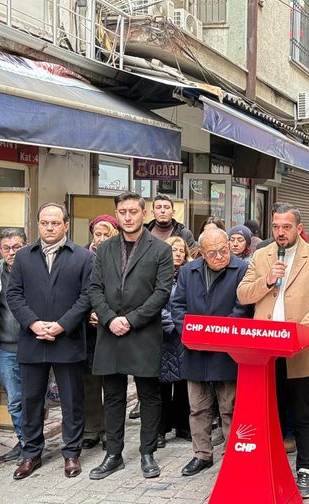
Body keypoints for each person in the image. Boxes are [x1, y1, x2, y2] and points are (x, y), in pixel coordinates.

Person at [238, 203, 309, 499]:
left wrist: (298, 335)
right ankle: (272, 466)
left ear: (298, 228)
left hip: (301, 350)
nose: (280, 233)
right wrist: (267, 280)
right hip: (266, 352)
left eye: (286, 227)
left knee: (304, 414)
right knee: (271, 413)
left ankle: (305, 469)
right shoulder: (261, 256)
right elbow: (243, 294)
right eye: (276, 227)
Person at [87, 191, 173, 480]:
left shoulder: (160, 250)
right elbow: (94, 289)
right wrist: (111, 319)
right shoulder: (105, 248)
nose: (127, 216)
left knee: (149, 395)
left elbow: (161, 293)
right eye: (122, 211)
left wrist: (131, 320)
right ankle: (114, 454)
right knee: (112, 396)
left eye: (133, 211)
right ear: (117, 214)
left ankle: (147, 452)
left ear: (143, 213)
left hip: (144, 331)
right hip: (110, 331)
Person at [7, 203, 94, 479]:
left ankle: (71, 453)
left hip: (66, 340)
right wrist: (33, 323)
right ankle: (31, 453)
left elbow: (87, 296)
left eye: (55, 223)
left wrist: (61, 326)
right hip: (32, 340)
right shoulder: (23, 257)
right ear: (38, 224)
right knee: (31, 400)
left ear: (66, 225)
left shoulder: (82, 257)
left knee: (71, 400)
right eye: (44, 222)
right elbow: (14, 295)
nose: (49, 227)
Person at [172, 228, 251, 477]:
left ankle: (233, 455)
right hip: (195, 351)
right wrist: (192, 332)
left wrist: (218, 333)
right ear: (202, 254)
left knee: (230, 407)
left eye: (224, 250)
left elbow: (244, 307)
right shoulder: (188, 271)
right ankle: (202, 455)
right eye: (213, 253)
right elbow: (178, 306)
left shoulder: (242, 269)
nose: (220, 256)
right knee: (198, 407)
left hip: (227, 352)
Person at [0, 227, 28, 462]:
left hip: (33, 347)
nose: (12, 252)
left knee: (33, 399)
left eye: (17, 247)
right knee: (14, 399)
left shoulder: (36, 269)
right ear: (0, 250)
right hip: (4, 348)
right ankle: (24, 443)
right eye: (7, 248)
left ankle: (33, 443)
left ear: (26, 245)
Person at [83, 215, 119, 448]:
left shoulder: (119, 257)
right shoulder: (82, 258)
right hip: (87, 329)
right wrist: (87, 314)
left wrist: (106, 315)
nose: (102, 238)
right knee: (89, 381)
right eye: (98, 234)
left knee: (112, 382)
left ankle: (110, 430)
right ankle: (90, 429)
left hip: (112, 326)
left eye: (107, 234)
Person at [158, 236, 193, 448]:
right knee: (161, 386)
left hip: (184, 336)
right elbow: (153, 301)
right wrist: (171, 323)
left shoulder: (189, 275)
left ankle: (183, 426)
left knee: (183, 384)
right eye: (174, 250)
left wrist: (183, 325)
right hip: (163, 336)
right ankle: (160, 429)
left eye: (181, 250)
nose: (178, 254)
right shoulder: (157, 274)